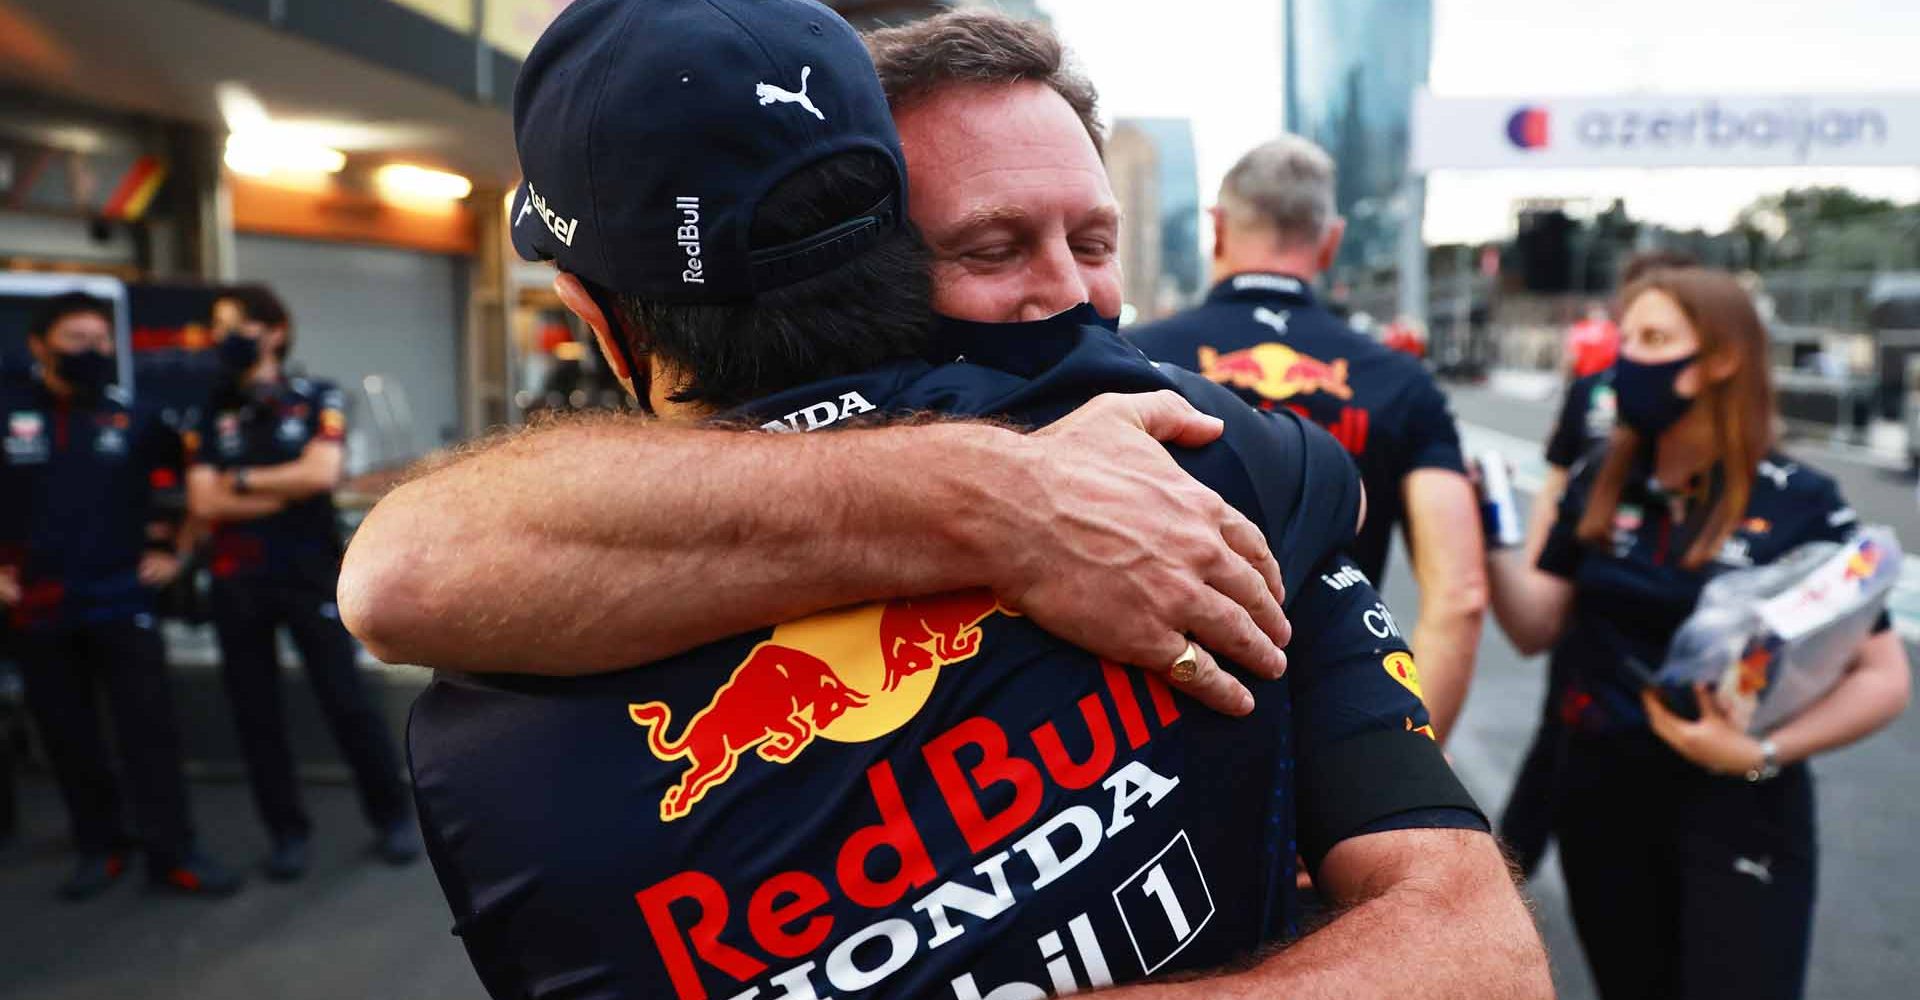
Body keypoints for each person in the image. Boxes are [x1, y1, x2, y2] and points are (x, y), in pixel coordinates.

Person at [383, 4, 1546, 999]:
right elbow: (402, 568)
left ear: (591, 310)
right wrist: (1004, 489)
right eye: (991, 246)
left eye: (1094, 238)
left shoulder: (478, 732)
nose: (1066, 292)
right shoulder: (1197, 459)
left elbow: (1476, 950)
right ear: (883, 253)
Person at [1484, 265, 1911, 1000]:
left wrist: (1757, 750)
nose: (1627, 358)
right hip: (1603, 800)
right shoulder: (1599, 478)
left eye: (1653, 339)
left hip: (1738, 810)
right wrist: (1489, 532)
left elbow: (1884, 677)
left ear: (1720, 360)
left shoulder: (1800, 502)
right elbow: (1534, 629)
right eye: (1625, 338)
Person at [1128, 136, 1487, 742]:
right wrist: (1415, 762)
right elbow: (1462, 595)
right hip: (1341, 705)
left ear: (1217, 230)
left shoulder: (1136, 357)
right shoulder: (1398, 379)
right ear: (1331, 241)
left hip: (1169, 709)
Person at [0, 292, 241, 899]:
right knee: (67, 736)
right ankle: (99, 847)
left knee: (149, 734)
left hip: (121, 601)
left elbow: (188, 489)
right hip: (38, 608)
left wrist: (175, 551)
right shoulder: (8, 413)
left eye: (102, 342)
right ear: (40, 345)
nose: (93, 352)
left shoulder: (137, 418)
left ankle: (174, 852)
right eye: (78, 340)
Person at [183, 286, 417, 880]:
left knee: (347, 703)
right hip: (237, 582)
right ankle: (286, 834)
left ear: (276, 332)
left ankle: (391, 818)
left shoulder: (315, 396)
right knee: (255, 715)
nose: (226, 338)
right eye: (219, 327)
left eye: (238, 326)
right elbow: (201, 498)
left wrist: (237, 483)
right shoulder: (209, 406)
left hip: (309, 574)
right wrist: (275, 488)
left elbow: (321, 473)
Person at [1500, 247, 1699, 876]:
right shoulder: (1592, 392)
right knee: (1563, 726)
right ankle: (1510, 864)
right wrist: (1537, 559)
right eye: (1632, 325)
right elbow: (1557, 479)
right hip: (1590, 575)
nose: (1639, 345)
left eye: (1658, 330)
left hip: (1675, 612)